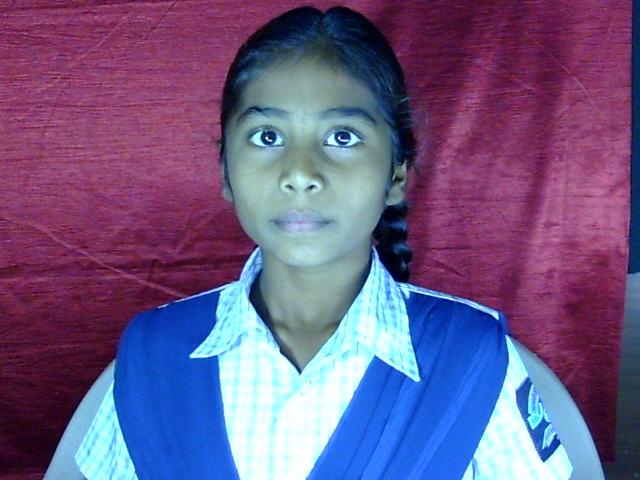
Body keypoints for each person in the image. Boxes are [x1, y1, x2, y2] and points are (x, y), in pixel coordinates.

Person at [75, 6, 573, 479]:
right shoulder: (153, 359)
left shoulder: (472, 361)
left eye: (342, 137)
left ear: (397, 174)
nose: (300, 172)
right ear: (225, 170)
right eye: (267, 137)